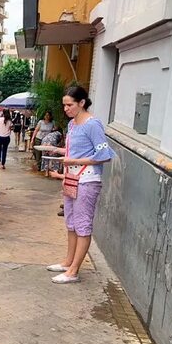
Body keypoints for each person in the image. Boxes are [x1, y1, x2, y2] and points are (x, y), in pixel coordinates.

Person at [47, 86, 116, 284]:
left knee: (82, 225)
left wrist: (74, 162)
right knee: (71, 222)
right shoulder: (72, 124)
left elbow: (103, 156)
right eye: (64, 105)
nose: (66, 109)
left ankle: (74, 271)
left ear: (82, 103)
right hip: (71, 178)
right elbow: (76, 151)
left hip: (87, 180)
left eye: (70, 105)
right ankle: (68, 262)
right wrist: (59, 152)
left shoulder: (93, 125)